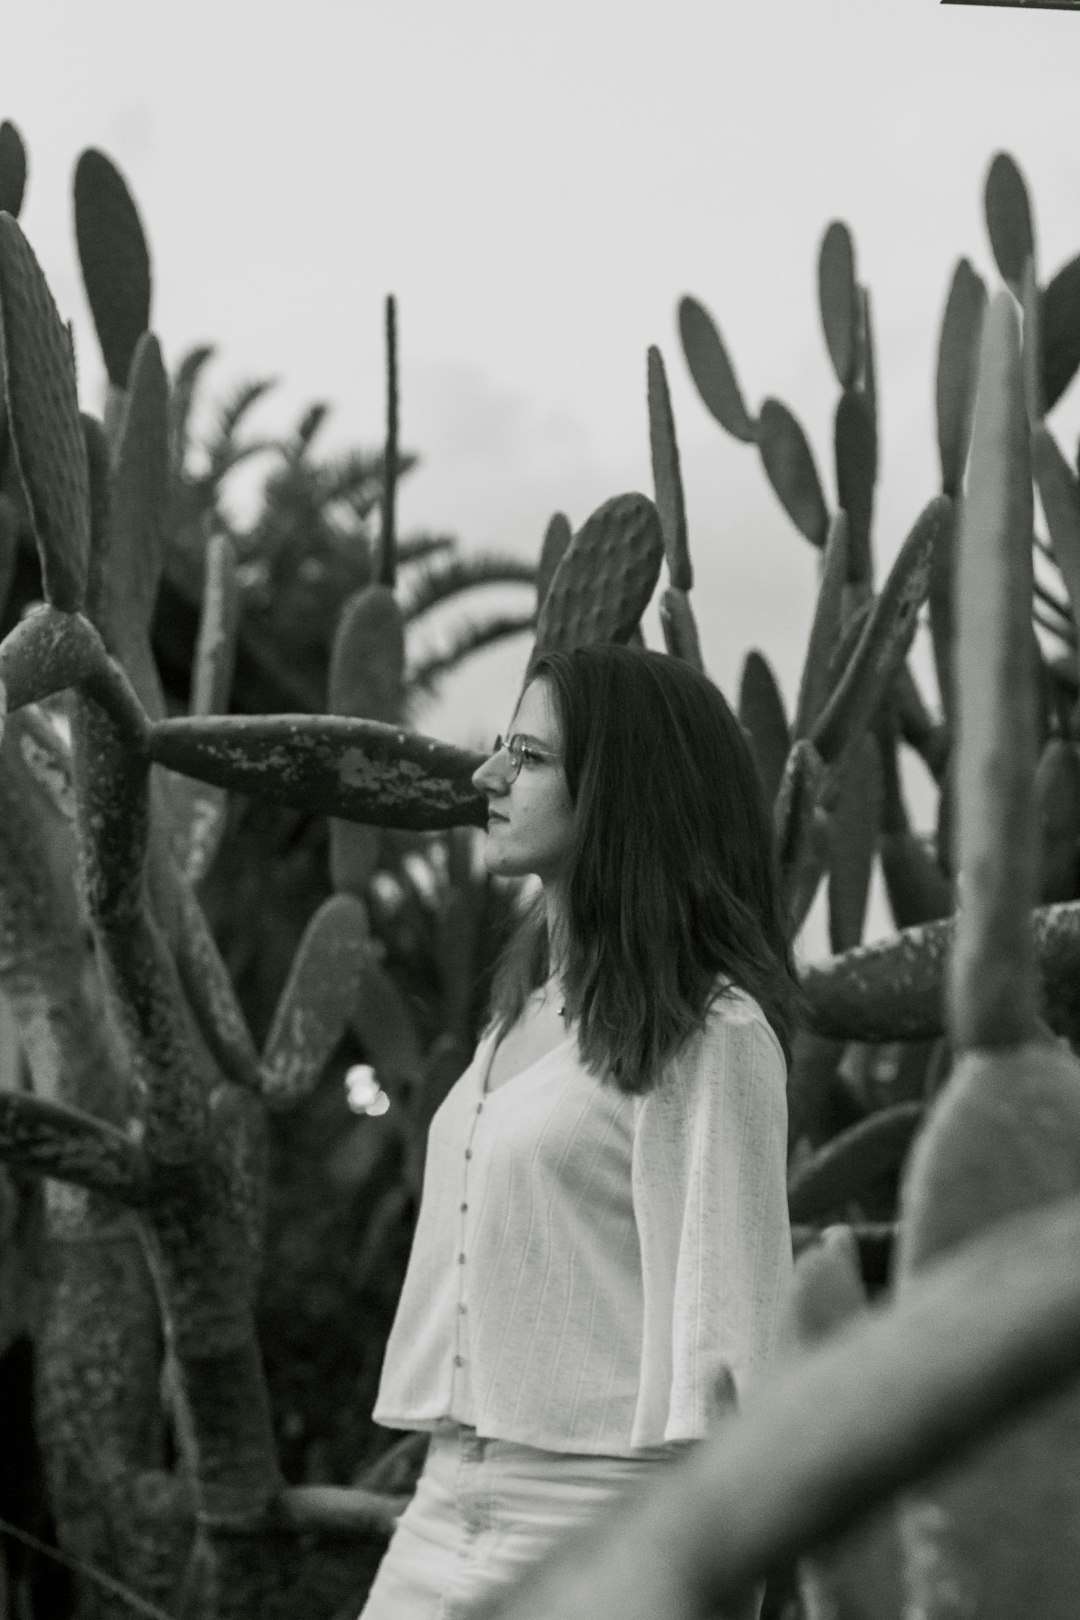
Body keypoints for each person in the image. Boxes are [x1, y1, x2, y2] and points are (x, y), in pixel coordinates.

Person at [358, 642, 802, 1620]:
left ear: (623, 791)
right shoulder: (519, 1013)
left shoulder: (712, 1036)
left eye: (529, 754)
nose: (489, 773)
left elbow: (736, 1364)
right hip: (443, 1502)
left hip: (603, 1522)